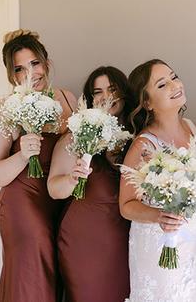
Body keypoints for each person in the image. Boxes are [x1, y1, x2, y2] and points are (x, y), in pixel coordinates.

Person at [0, 29, 77, 302]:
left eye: (34, 63)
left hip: (59, 199)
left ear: (46, 62)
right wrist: (22, 155)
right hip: (22, 204)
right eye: (20, 68)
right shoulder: (6, 110)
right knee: (32, 279)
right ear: (13, 76)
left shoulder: (68, 99)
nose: (30, 73)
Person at [119, 59, 196, 301]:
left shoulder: (191, 127)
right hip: (157, 244)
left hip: (190, 241)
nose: (174, 85)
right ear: (146, 102)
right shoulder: (144, 145)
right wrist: (158, 216)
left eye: (173, 76)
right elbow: (126, 205)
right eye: (162, 84)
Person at [47, 66, 135, 302]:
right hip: (84, 240)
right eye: (98, 92)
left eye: (112, 89)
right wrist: (72, 178)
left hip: (125, 241)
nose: (105, 96)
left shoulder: (137, 136)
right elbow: (54, 189)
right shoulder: (77, 135)